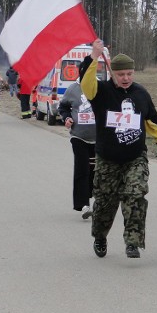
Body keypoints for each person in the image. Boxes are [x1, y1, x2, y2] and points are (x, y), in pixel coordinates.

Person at [80, 39, 157, 259]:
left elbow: (151, 120)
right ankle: (100, 236)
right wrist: (94, 56)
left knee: (136, 194)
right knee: (104, 202)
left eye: (129, 73)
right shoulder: (100, 92)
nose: (126, 78)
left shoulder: (140, 93)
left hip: (135, 157)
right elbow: (86, 83)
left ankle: (133, 241)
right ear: (113, 74)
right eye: (121, 75)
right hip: (108, 158)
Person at [58, 80, 96, 219]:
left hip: (99, 138)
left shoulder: (101, 86)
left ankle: (96, 197)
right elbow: (63, 107)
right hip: (78, 137)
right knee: (82, 168)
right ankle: (84, 205)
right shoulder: (73, 89)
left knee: (95, 170)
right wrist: (67, 118)